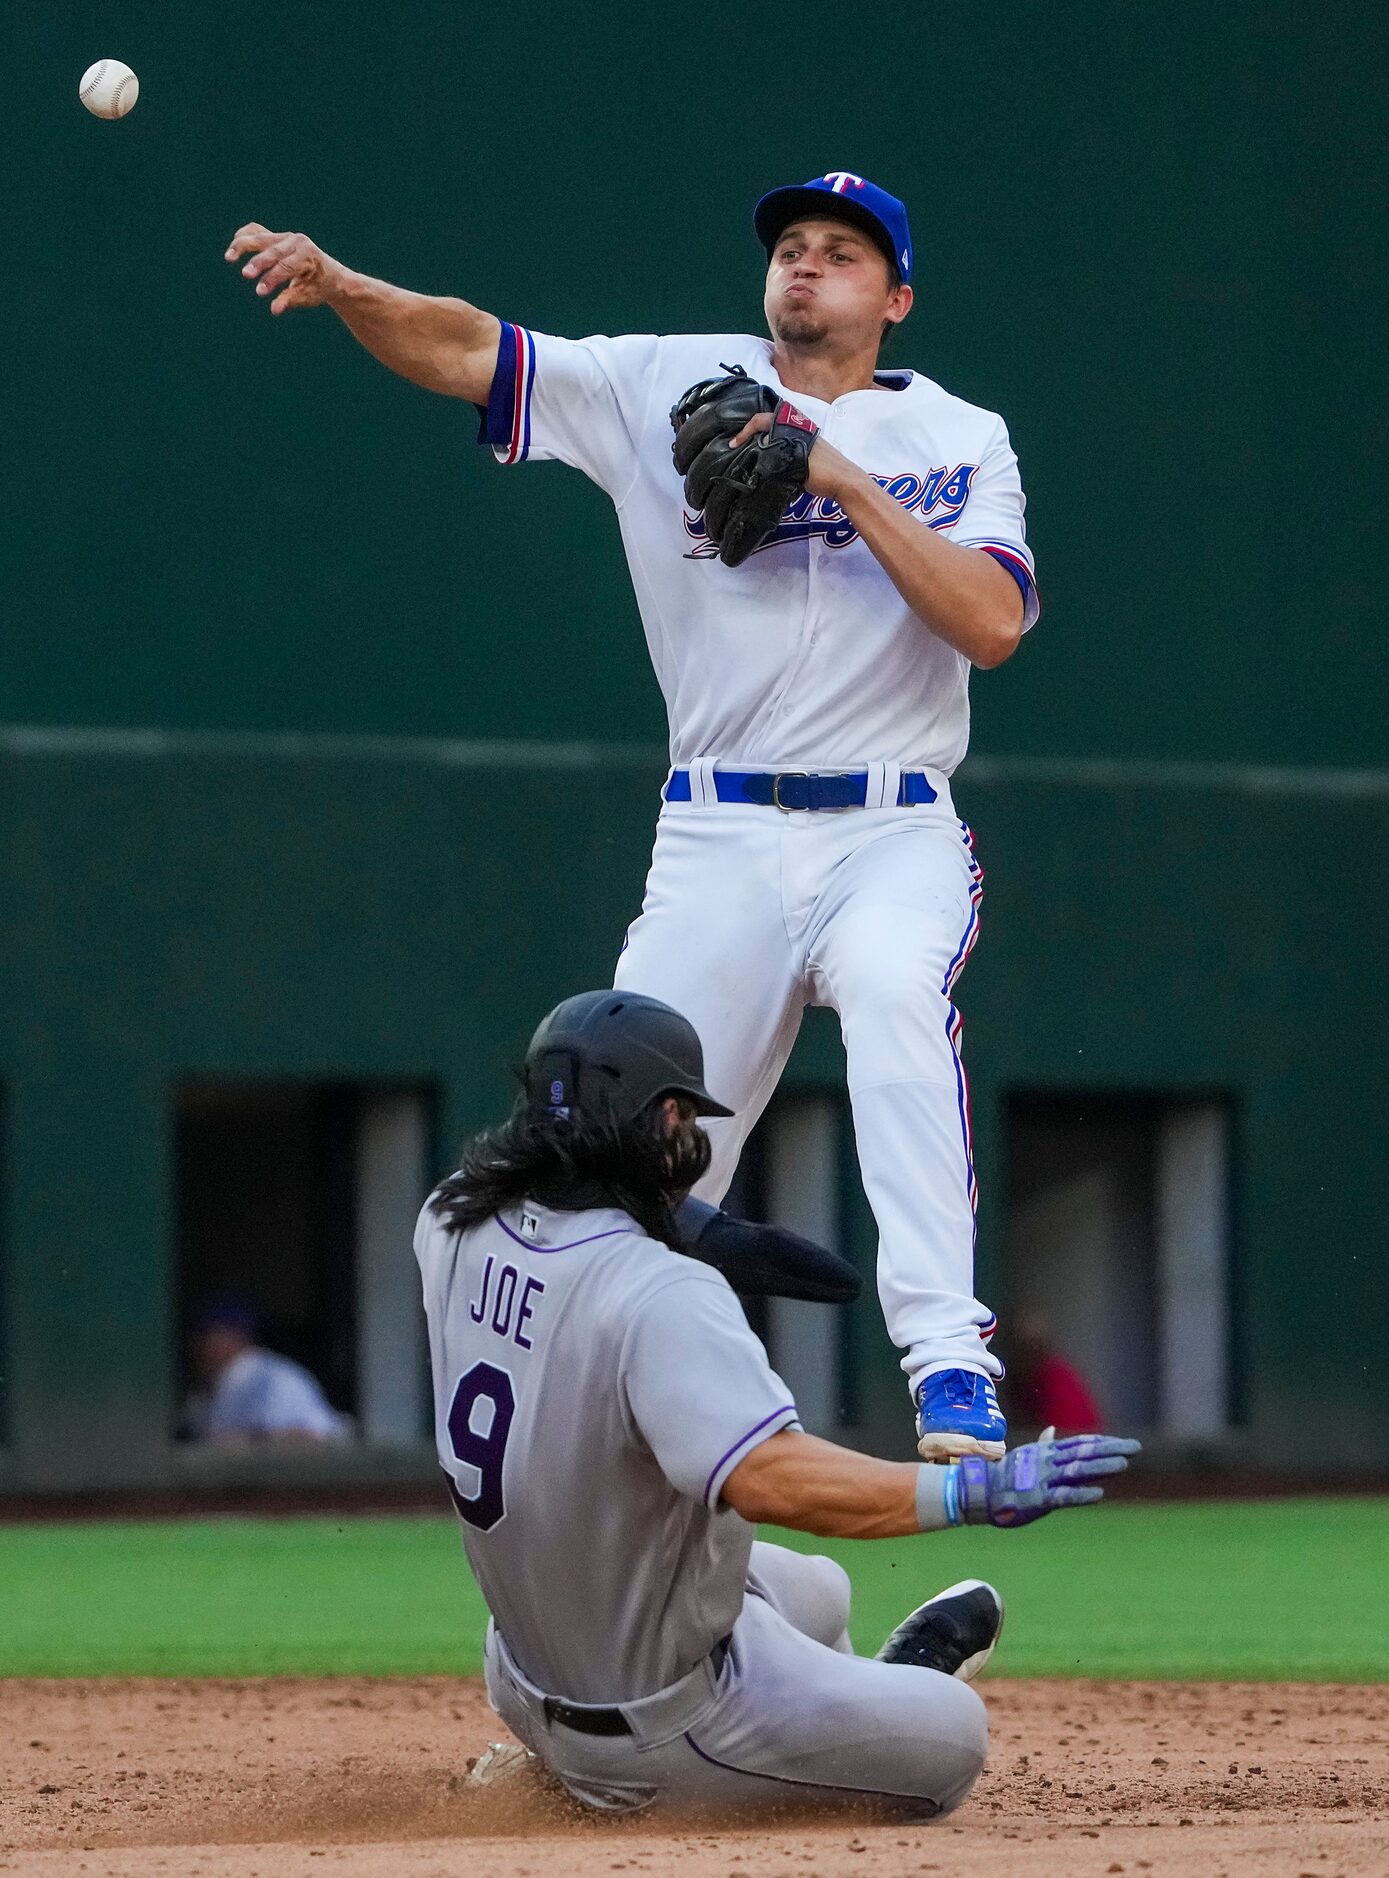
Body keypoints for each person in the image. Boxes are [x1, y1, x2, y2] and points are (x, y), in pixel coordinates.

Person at [228, 169, 1037, 1460]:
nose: (804, 265)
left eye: (840, 251)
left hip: (891, 824)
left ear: (897, 297)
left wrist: (832, 472)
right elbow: (470, 349)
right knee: (632, 1134)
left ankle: (948, 1363)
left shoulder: (961, 437)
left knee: (893, 986)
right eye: (790, 245)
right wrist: (340, 288)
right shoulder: (666, 378)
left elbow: (993, 622)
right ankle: (589, 1416)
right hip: (718, 828)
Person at [415, 989, 1136, 1820]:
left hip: (526, 1665)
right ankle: (859, 1708)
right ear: (663, 1116)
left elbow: (531, 1181)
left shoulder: (451, 1219)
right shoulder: (661, 1296)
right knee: (955, 1738)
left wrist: (694, 1227)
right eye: (682, 1117)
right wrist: (970, 1493)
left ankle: (806, 1703)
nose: (692, 1137)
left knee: (822, 1593)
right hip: (662, 1726)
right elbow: (774, 1480)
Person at [183, 1298, 349, 1445]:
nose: (199, 1346)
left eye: (209, 1335)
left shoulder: (269, 1376)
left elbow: (314, 1437)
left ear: (237, 1336)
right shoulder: (211, 1386)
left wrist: (246, 1442)